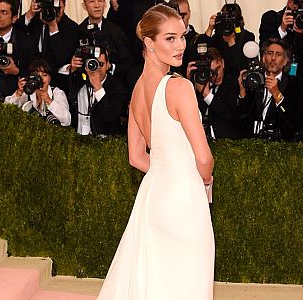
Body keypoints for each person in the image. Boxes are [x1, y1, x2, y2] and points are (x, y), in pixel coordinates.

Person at [97, 4, 214, 299]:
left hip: (153, 196)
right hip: (184, 197)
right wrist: (205, 183)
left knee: (154, 282)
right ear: (149, 43)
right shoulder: (180, 87)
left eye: (182, 37)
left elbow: (136, 157)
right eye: (170, 38)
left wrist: (165, 173)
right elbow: (204, 157)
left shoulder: (136, 91)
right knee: (185, 283)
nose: (180, 46)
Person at [238, 38, 303, 141]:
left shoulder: (295, 84)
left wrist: (277, 94)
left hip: (281, 145)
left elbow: (294, 121)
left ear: (285, 61)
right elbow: (241, 118)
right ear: (264, 58)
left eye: (278, 54)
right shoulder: (254, 80)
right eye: (270, 53)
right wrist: (242, 92)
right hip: (252, 144)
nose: (273, 58)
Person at [15, 0, 78, 93]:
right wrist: (30, 13)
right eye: (48, 8)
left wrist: (53, 27)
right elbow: (16, 30)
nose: (53, 12)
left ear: (64, 5)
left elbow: (61, 58)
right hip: (30, 80)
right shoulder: (35, 20)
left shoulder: (72, 28)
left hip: (58, 85)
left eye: (58, 9)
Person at [187, 47, 248, 139]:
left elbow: (230, 114)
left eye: (218, 69)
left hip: (226, 144)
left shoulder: (234, 84)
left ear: (223, 63)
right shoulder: (197, 82)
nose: (216, 75)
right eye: (211, 72)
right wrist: (188, 83)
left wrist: (207, 95)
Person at [0, 0, 38, 98]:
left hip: (14, 98)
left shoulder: (26, 42)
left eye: (4, 12)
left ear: (14, 18)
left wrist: (17, 71)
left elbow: (36, 72)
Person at [68, 46, 128, 135]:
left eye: (101, 64)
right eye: (93, 64)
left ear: (108, 65)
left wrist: (98, 87)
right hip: (77, 139)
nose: (97, 68)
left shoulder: (118, 87)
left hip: (104, 143)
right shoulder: (78, 80)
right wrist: (72, 68)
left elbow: (111, 115)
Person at [259, 0, 303, 79]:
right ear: (289, 2)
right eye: (297, 3)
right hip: (277, 75)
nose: (300, 8)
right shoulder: (271, 18)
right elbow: (264, 48)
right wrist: (282, 29)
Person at [4, 58, 71, 126]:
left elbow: (67, 120)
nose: (40, 79)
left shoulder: (57, 93)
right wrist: (19, 93)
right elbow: (6, 111)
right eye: (37, 75)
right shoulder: (27, 92)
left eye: (44, 75)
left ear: (50, 78)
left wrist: (49, 100)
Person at [199, 3, 255, 83]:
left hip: (239, 82)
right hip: (220, 82)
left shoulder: (247, 37)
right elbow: (202, 52)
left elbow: (240, 68)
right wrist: (210, 29)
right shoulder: (219, 36)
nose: (228, 25)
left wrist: (231, 42)